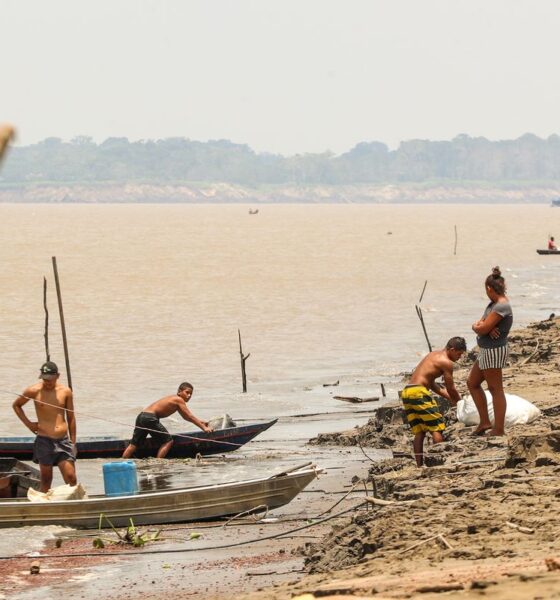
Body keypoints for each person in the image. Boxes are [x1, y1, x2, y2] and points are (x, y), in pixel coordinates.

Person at [12, 361, 77, 493]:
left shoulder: (65, 391)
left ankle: (75, 503)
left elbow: (71, 417)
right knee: (46, 479)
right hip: (44, 440)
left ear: (57, 376)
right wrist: (29, 424)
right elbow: (16, 405)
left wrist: (73, 442)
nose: (47, 382)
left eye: (50, 379)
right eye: (44, 379)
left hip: (63, 441)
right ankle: (44, 506)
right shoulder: (34, 390)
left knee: (71, 477)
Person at [401, 337, 466, 467]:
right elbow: (451, 388)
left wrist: (449, 398)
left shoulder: (433, 355)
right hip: (419, 393)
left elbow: (431, 383)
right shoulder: (446, 362)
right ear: (452, 350)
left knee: (419, 431)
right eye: (459, 354)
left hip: (408, 392)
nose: (459, 357)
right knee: (437, 427)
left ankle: (419, 465)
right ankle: (439, 462)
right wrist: (461, 403)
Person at [467, 266, 513, 437]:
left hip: (493, 350)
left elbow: (482, 327)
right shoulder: (493, 304)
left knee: (495, 389)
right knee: (472, 382)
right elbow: (482, 325)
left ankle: (499, 429)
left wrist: (482, 327)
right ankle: (485, 421)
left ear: (489, 288)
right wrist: (482, 326)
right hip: (487, 349)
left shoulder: (501, 306)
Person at [122, 382, 213, 459]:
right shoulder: (179, 399)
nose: (189, 395)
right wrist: (204, 428)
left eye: (191, 394)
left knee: (134, 444)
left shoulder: (175, 399)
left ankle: (122, 462)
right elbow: (190, 416)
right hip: (150, 418)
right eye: (187, 392)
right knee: (168, 441)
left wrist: (201, 422)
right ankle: (158, 463)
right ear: (179, 392)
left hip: (142, 416)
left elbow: (186, 417)